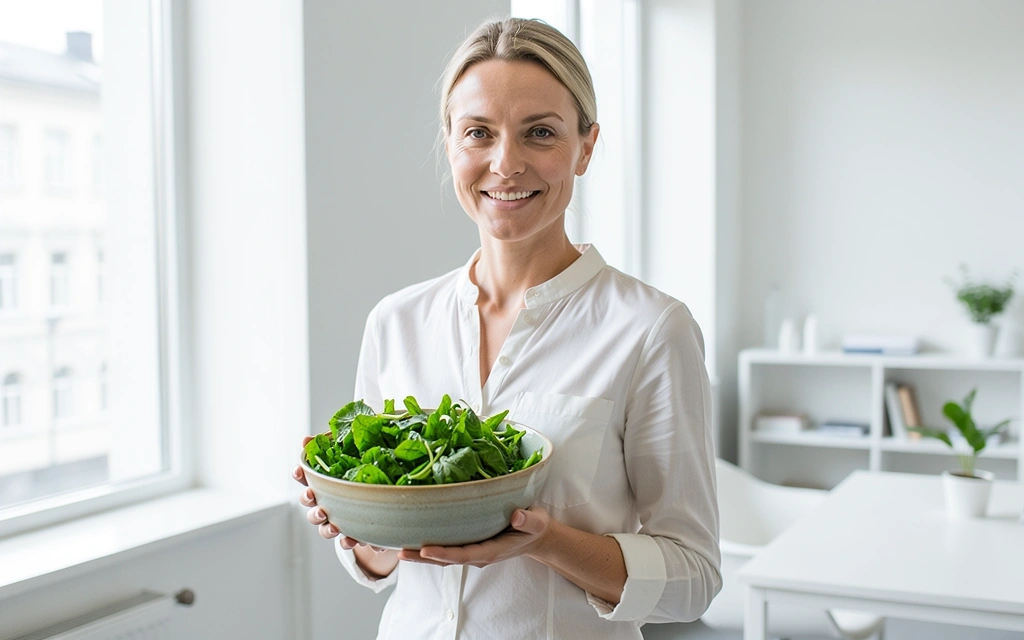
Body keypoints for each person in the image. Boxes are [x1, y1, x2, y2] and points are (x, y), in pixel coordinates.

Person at [292, 17, 721, 639]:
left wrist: (542, 542)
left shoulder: (652, 330)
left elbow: (694, 579)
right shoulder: (397, 321)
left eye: (539, 133)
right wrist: (357, 518)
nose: (506, 163)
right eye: (478, 133)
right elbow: (375, 565)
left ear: (587, 146)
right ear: (450, 143)